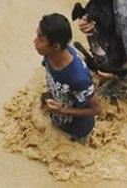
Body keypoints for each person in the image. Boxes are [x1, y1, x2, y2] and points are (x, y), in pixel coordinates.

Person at [34, 13, 102, 141]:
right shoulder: (49, 55)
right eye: (37, 35)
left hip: (76, 131)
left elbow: (96, 109)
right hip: (57, 116)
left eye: (41, 39)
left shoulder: (79, 78)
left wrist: (62, 110)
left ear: (56, 47)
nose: (35, 42)